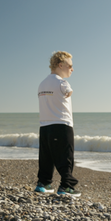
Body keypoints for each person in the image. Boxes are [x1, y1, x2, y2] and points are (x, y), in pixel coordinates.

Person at [35, 51, 81, 197]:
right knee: (65, 157)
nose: (72, 69)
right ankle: (66, 187)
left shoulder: (42, 83)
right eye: (70, 66)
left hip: (44, 127)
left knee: (46, 157)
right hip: (62, 125)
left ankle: (44, 184)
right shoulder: (62, 82)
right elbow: (68, 91)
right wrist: (69, 92)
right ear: (60, 65)